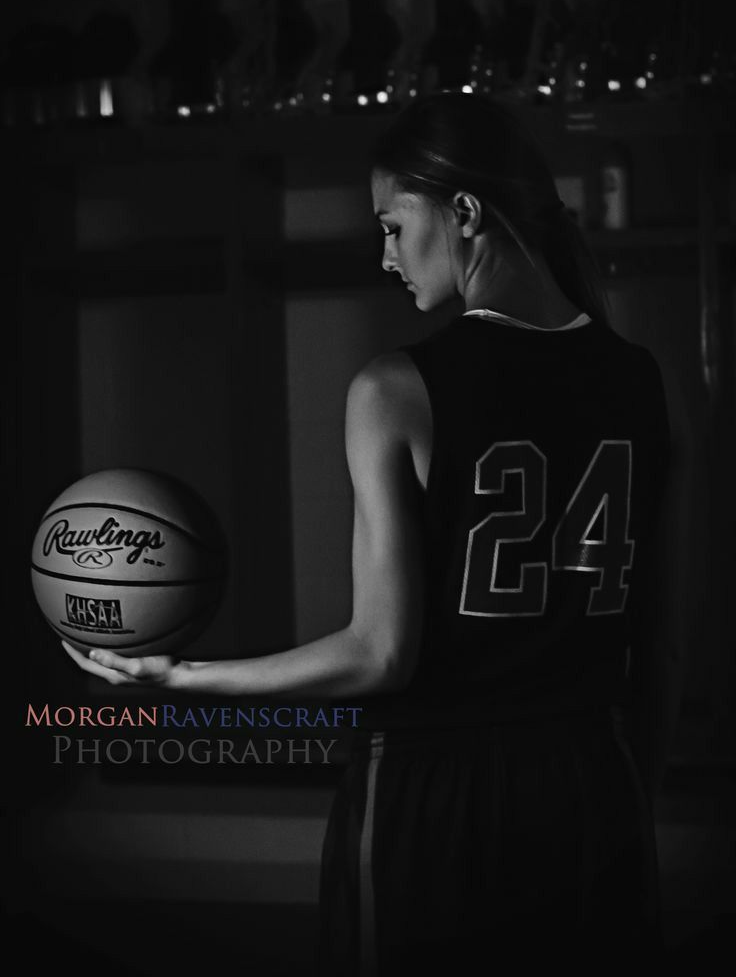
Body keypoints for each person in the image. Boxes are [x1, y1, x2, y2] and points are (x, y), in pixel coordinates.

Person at [64, 92, 679, 974]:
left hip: (432, 793)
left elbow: (380, 655)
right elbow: (660, 650)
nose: (384, 254)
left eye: (393, 224)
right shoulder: (646, 381)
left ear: (463, 212)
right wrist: (627, 806)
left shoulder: (394, 389)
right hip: (594, 785)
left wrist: (185, 676)